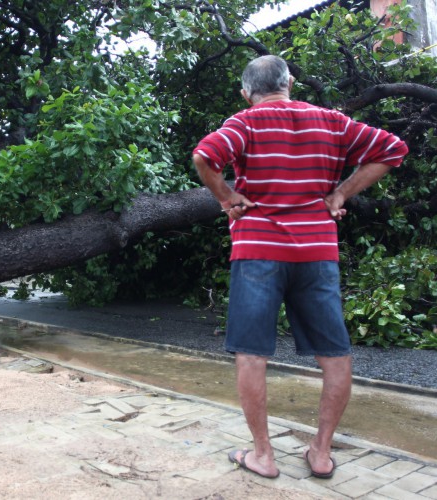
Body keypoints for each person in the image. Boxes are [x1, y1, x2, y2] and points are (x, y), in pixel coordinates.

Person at [192, 55, 408, 479]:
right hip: (316, 252)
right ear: (289, 82)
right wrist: (340, 194)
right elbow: (393, 149)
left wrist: (227, 197)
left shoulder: (245, 122)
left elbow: (204, 156)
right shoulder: (332, 121)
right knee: (335, 355)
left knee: (252, 355)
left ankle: (263, 456)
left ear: (245, 92)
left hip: (257, 252)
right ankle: (322, 453)